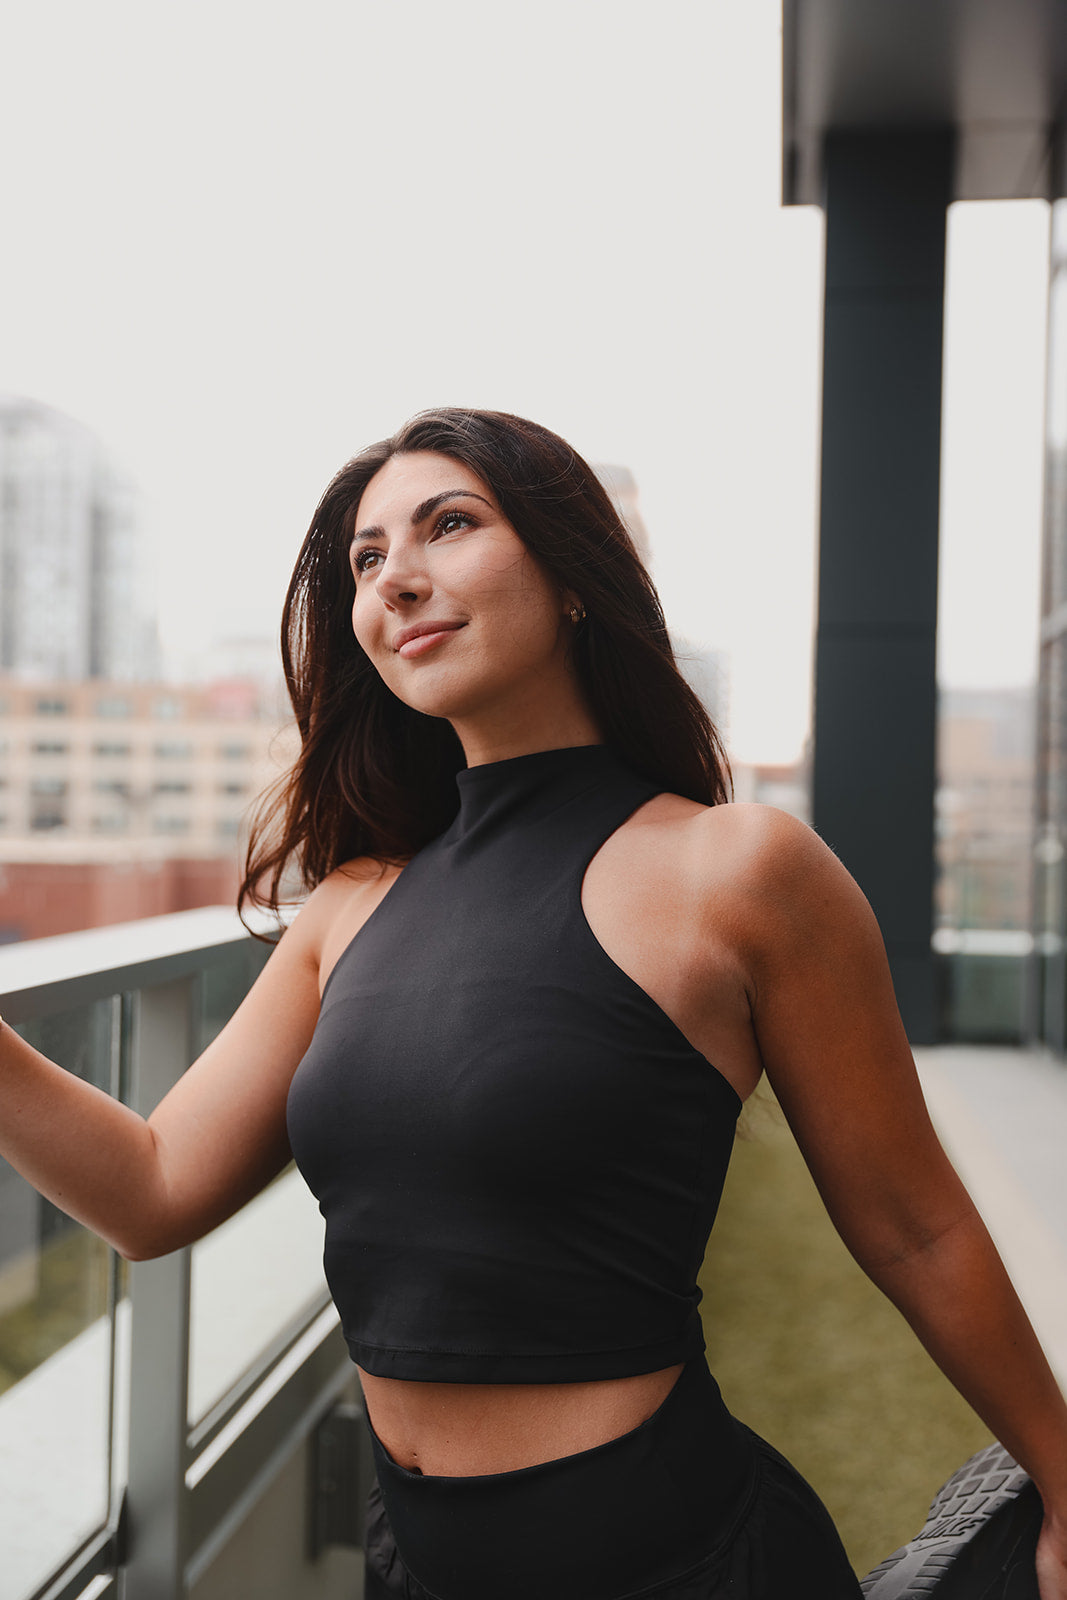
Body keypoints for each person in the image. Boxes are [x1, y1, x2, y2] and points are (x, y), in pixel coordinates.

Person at [0, 407, 1065, 1600]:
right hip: (412, 1567)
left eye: (448, 525)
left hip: (677, 1566)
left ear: (569, 575)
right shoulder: (347, 908)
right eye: (365, 558)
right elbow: (150, 1191)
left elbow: (911, 1225)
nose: (397, 576)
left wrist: (1065, 1484)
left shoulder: (738, 870)